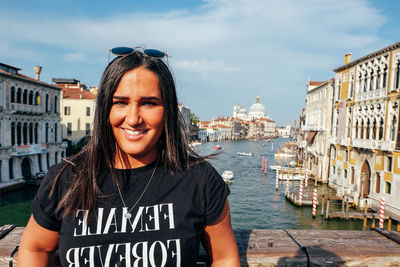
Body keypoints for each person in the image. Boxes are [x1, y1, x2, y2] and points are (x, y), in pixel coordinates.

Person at [19, 47, 240, 266]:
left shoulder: (199, 180)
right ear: (106, 109)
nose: (133, 119)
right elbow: (35, 247)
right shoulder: (66, 178)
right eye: (121, 102)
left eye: (149, 103)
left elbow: (224, 258)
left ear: (168, 111)